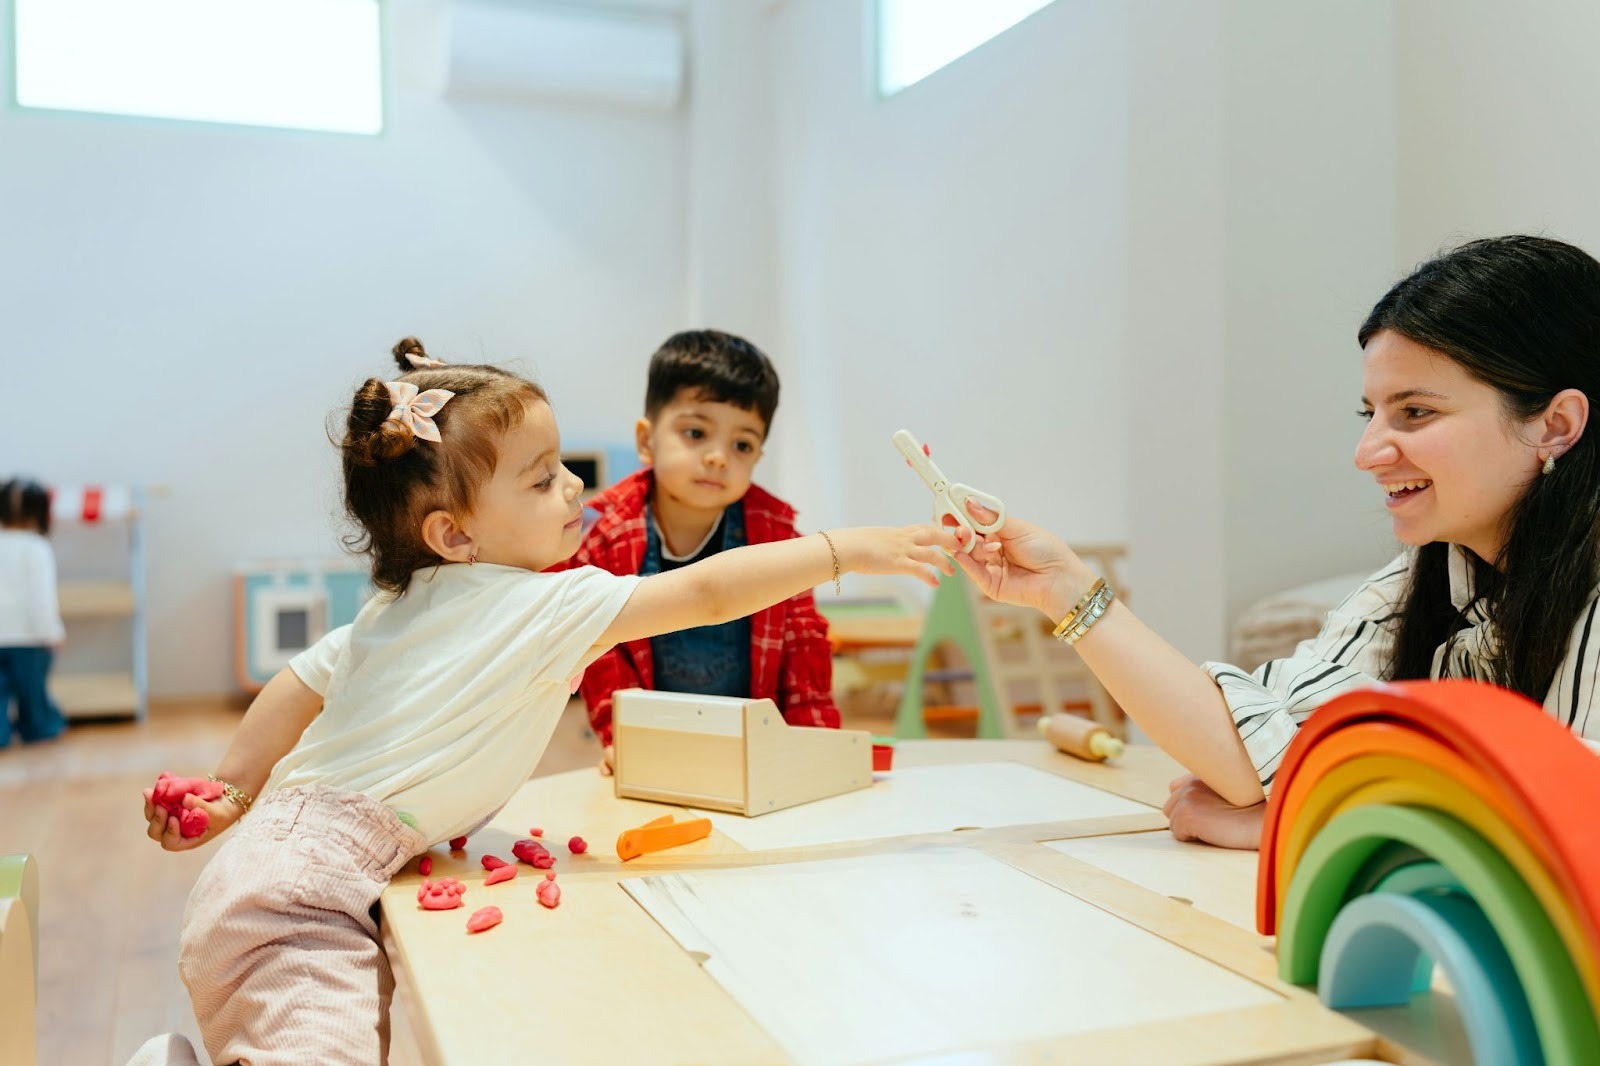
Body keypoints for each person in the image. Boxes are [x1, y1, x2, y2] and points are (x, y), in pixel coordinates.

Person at [132, 338, 961, 1066]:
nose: (573, 488)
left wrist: (233, 788)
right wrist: (850, 549)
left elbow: (297, 682)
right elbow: (707, 593)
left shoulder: (399, 606)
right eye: (541, 480)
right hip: (306, 892)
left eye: (563, 467)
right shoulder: (544, 604)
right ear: (455, 534)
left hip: (277, 860)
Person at [955, 235, 1600, 850]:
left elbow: (1575, 827)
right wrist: (1065, 590)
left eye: (1416, 412)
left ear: (1557, 425)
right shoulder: (1426, 577)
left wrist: (1312, 825)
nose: (1367, 453)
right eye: (1370, 413)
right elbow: (1259, 747)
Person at [553, 329, 838, 774]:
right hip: (654, 747)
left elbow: (804, 648)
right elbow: (602, 652)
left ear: (758, 456)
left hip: (758, 750)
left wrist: (815, 744)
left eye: (742, 445)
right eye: (696, 432)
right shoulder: (604, 538)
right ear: (647, 440)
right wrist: (620, 736)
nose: (719, 457)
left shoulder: (779, 539)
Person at [0, 477, 66, 748]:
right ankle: (39, 728)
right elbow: (41, 598)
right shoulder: (36, 548)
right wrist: (52, 632)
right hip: (28, 639)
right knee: (33, 695)